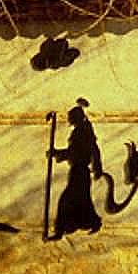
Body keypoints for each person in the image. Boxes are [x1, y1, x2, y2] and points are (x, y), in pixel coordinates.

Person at [47, 98, 103, 240]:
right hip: (79, 171)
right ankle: (92, 222)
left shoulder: (81, 133)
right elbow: (87, 150)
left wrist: (57, 153)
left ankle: (61, 231)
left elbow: (76, 152)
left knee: (66, 200)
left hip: (80, 171)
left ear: (76, 118)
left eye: (70, 117)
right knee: (82, 200)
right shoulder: (82, 131)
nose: (69, 120)